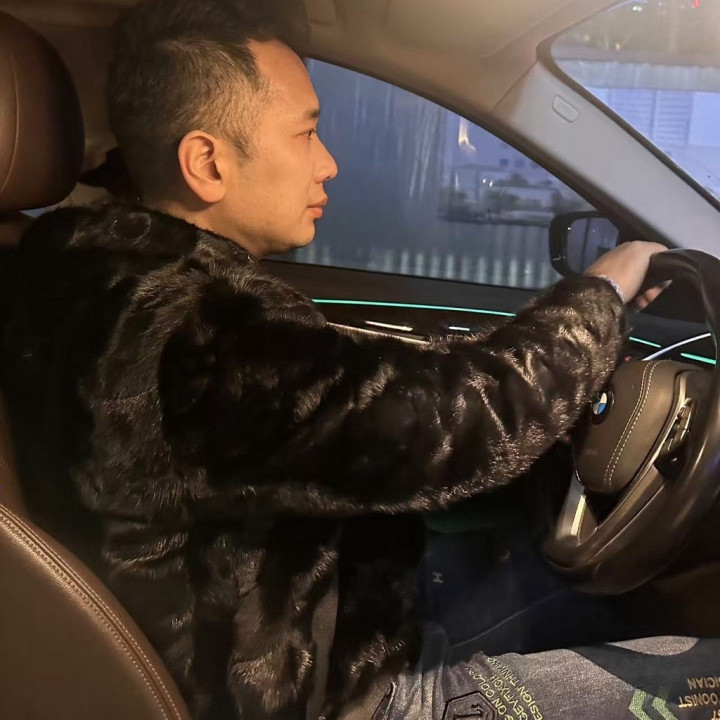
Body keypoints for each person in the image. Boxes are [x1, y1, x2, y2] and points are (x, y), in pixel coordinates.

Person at [3, 1, 715, 719]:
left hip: (343, 610)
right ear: (208, 163)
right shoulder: (192, 334)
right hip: (344, 697)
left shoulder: (72, 274)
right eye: (306, 132)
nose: (329, 163)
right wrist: (599, 297)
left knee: (603, 588)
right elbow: (454, 425)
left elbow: (360, 396)